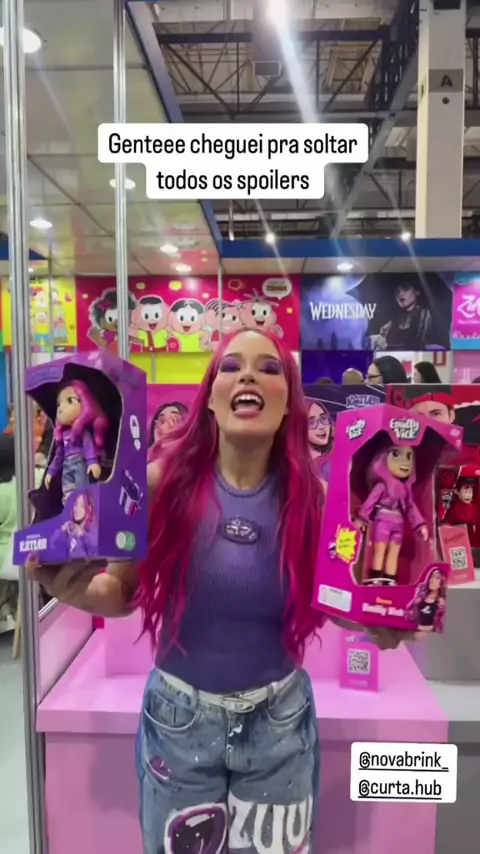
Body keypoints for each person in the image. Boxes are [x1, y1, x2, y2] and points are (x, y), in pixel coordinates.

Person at [26, 329, 413, 854]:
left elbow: (337, 601)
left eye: (269, 368)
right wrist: (74, 590)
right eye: (231, 366)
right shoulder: (158, 484)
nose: (248, 375)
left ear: (289, 402)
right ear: (209, 396)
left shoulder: (321, 501)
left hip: (279, 725)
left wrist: (377, 620)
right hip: (178, 723)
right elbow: (121, 589)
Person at [375, 282, 433, 350]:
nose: (400, 294)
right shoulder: (393, 319)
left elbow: (421, 342)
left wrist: (387, 346)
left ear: (417, 292)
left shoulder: (424, 313)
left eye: (405, 289)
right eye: (397, 291)